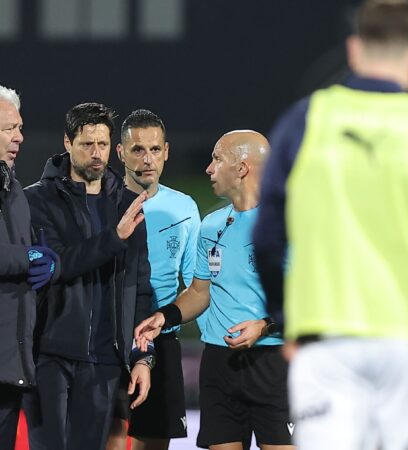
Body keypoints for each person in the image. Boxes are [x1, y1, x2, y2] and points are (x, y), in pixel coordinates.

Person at [253, 1, 408, 449]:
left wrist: (284, 319)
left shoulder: (306, 122)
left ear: (355, 49)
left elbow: (267, 239)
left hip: (327, 336)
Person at [135, 130, 295, 450]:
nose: (209, 169)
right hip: (219, 365)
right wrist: (163, 317)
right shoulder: (211, 225)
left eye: (217, 159)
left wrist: (263, 326)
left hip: (273, 362)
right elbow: (198, 292)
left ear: (242, 168)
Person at [23, 102, 155, 450]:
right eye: (86, 144)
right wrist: (114, 238)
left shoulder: (128, 205)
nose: (97, 154)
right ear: (67, 142)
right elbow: (53, 266)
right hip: (48, 356)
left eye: (102, 145)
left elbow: (139, 285)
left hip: (103, 362)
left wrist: (142, 357)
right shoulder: (36, 201)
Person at [106, 109, 201, 450]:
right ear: (120, 153)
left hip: (161, 340)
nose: (148, 159)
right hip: (109, 337)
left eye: (155, 149)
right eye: (137, 150)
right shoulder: (101, 202)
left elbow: (196, 285)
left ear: (167, 151)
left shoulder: (185, 208)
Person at [0, 85, 58, 450]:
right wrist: (30, 258)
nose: (19, 136)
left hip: (9, 362)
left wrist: (45, 261)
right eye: (8, 128)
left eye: (19, 127)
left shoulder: (15, 188)